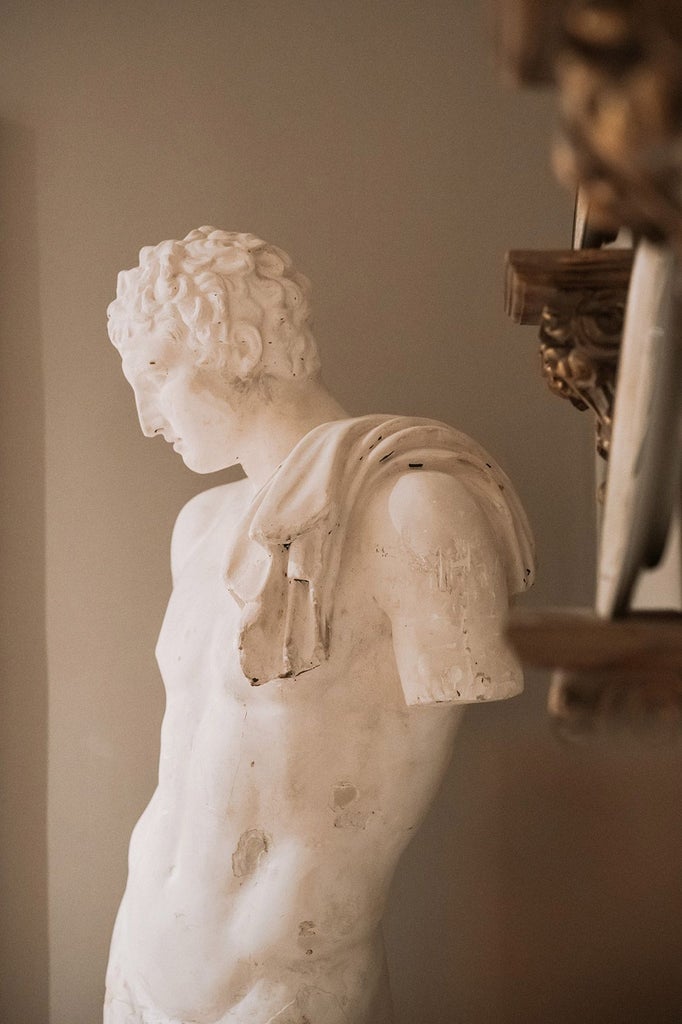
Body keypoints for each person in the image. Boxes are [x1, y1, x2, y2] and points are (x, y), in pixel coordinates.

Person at [104, 227, 534, 1024]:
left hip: (285, 988)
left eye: (156, 375)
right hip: (138, 962)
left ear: (235, 345)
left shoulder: (419, 510)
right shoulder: (198, 527)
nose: (145, 419)